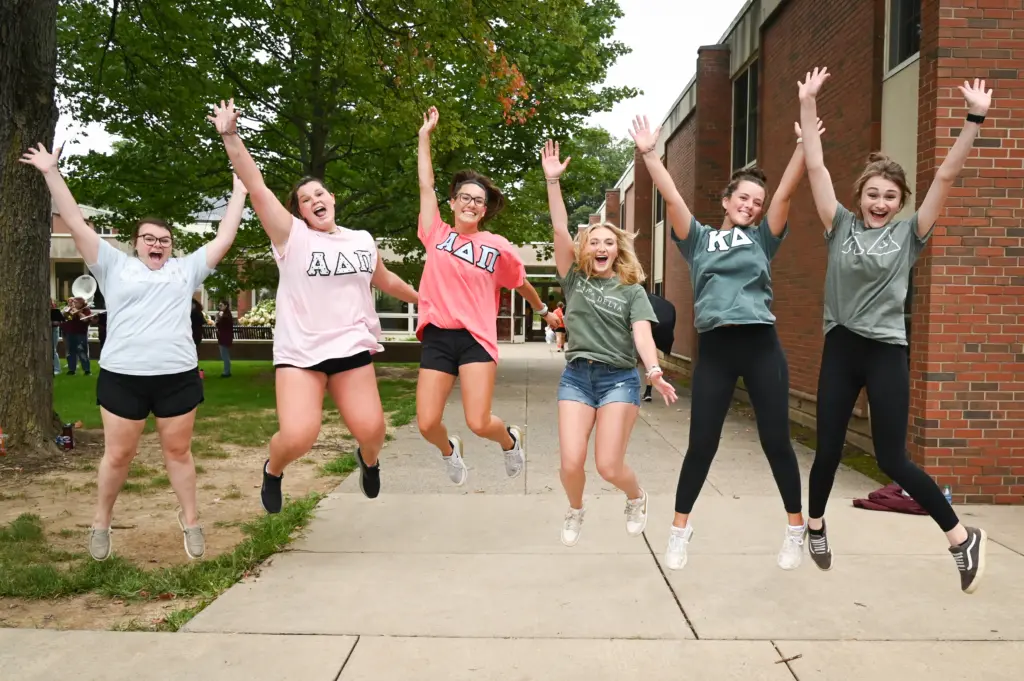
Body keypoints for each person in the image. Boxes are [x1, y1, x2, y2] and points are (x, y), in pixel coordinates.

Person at [797, 68, 991, 594]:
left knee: (891, 458)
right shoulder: (838, 225)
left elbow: (946, 177)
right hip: (841, 347)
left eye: (890, 196)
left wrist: (973, 119)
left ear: (900, 201)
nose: (880, 202)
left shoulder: (911, 234)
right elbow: (814, 164)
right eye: (873, 194)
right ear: (860, 196)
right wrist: (810, 103)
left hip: (885, 351)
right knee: (829, 448)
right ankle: (814, 527)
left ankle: (959, 538)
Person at [20, 143, 246, 562]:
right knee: (118, 454)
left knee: (178, 453)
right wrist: (51, 172)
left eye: (164, 240)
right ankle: (101, 522)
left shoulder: (186, 269)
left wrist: (240, 191)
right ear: (135, 243)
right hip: (124, 377)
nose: (157, 244)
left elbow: (226, 236)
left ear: (172, 245)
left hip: (176, 377)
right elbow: (74, 220)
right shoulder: (112, 265)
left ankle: (191, 520)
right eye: (149, 239)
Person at [630, 112, 820, 572]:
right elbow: (672, 197)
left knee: (776, 439)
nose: (751, 206)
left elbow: (789, 192)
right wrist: (651, 154)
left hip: (760, 347)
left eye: (757, 201)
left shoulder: (763, 239)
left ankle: (796, 528)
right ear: (727, 199)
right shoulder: (698, 240)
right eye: (744, 198)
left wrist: (802, 146)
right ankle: (679, 531)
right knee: (702, 443)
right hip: (714, 349)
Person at [208, 98, 419, 511]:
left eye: (319, 193)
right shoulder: (292, 238)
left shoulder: (361, 238)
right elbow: (257, 187)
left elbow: (383, 278)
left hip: (351, 347)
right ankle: (273, 469)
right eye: (305, 199)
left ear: (332, 198)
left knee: (373, 431)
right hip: (301, 352)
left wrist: (423, 300)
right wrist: (231, 136)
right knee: (301, 435)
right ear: (299, 212)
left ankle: (367, 460)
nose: (314, 200)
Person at [541, 139, 677, 546]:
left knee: (608, 465)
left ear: (617, 249)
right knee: (570, 462)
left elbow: (641, 334)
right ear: (586, 249)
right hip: (577, 378)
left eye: (608, 241)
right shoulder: (574, 278)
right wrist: (553, 183)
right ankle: (575, 508)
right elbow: (560, 228)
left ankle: (636, 497)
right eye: (594, 241)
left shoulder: (632, 290)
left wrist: (652, 369)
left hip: (619, 379)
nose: (600, 247)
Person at [416, 106, 558, 486]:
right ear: (453, 201)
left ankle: (510, 441)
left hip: (476, 338)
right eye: (464, 196)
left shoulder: (497, 247)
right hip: (438, 336)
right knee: (427, 422)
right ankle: (450, 450)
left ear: (484, 209)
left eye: (478, 200)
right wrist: (424, 136)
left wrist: (543, 310)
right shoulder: (436, 233)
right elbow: (424, 185)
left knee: (479, 421)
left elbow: (520, 282)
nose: (470, 203)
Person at [641, 292, 676, 402]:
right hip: (653, 334)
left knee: (639, 363)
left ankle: (644, 391)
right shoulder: (664, 307)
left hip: (644, 334)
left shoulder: (644, 303)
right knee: (650, 365)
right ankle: (648, 391)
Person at [62, 297, 93, 375]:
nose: (74, 304)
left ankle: (87, 370)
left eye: (75, 302)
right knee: (71, 352)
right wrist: (68, 311)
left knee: (82, 351)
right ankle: (71, 369)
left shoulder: (86, 310)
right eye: (73, 302)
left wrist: (78, 313)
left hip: (81, 333)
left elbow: (85, 320)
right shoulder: (70, 309)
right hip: (70, 333)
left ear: (81, 303)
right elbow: (66, 317)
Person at [216, 300, 234, 377]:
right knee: (224, 354)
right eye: (219, 305)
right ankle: (227, 371)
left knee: (224, 355)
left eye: (221, 305)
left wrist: (218, 318)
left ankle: (226, 372)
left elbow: (220, 324)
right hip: (225, 337)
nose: (220, 307)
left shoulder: (226, 315)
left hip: (224, 338)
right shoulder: (226, 314)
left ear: (226, 305)